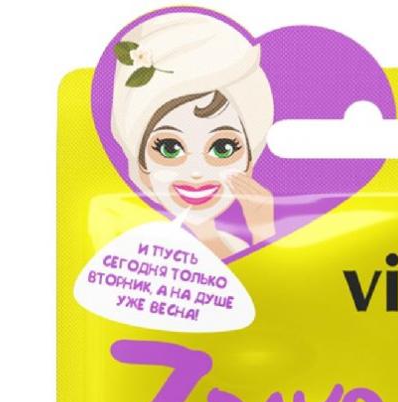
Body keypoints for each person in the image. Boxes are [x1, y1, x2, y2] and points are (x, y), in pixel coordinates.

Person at [110, 13, 277, 258]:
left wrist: (263, 232)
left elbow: (260, 282)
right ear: (141, 164)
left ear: (249, 163)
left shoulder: (235, 247)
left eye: (222, 148)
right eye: (169, 148)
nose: (196, 172)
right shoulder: (142, 250)